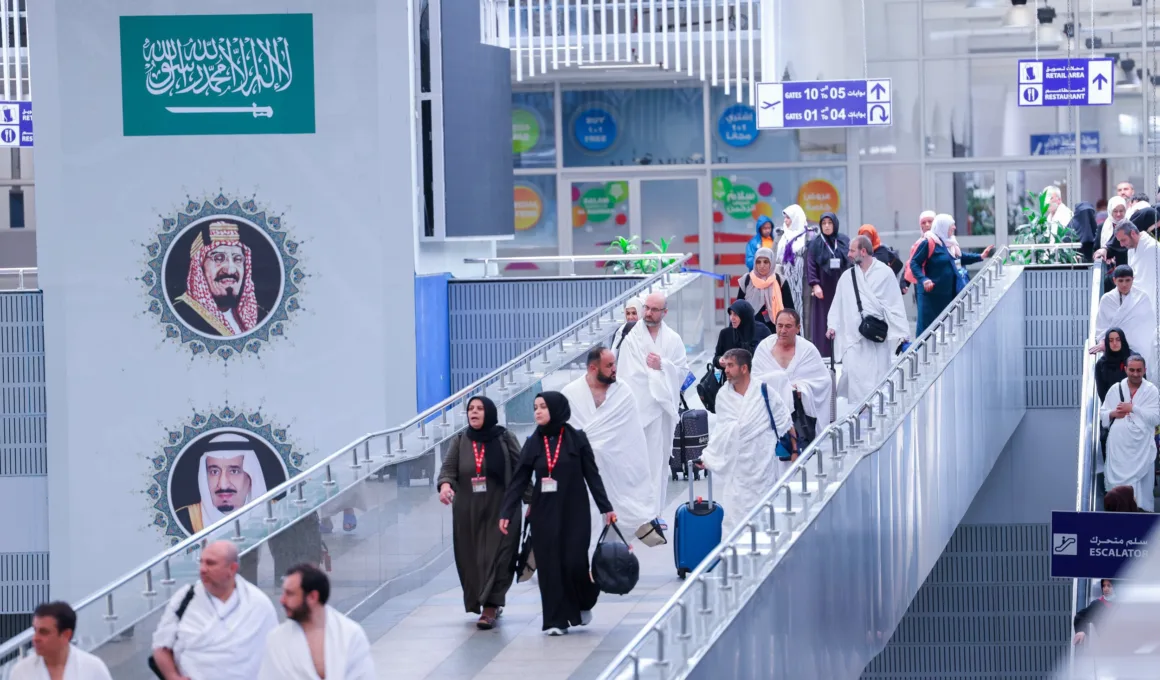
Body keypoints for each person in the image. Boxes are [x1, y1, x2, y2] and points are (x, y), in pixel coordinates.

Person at [499, 392, 616, 636]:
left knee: (574, 563)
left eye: (543, 407)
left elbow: (592, 476)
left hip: (575, 512)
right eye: (535, 407)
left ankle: (583, 602)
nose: (538, 412)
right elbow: (519, 480)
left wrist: (607, 508)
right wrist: (507, 512)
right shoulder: (533, 442)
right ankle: (555, 620)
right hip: (544, 514)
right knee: (550, 567)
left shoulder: (577, 439)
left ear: (557, 409)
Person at [436, 396, 525, 629]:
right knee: (472, 559)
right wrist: (445, 487)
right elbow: (447, 471)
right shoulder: (460, 440)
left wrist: (533, 502)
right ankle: (483, 600)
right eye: (470, 409)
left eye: (479, 409)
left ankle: (491, 607)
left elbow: (521, 473)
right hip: (468, 513)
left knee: (501, 557)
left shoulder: (506, 439)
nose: (473, 412)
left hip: (503, 511)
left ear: (490, 412)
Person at [561, 346, 656, 543]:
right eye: (609, 365)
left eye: (615, 364)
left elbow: (632, 438)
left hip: (617, 470)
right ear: (593, 368)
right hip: (582, 472)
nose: (615, 369)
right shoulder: (570, 394)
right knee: (586, 521)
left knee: (616, 527)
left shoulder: (623, 392)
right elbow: (565, 436)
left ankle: (611, 562)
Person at [698, 348, 795, 536]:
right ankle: (736, 561)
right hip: (738, 472)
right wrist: (708, 457)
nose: (726, 370)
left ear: (744, 368)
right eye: (725, 366)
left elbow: (785, 421)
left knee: (766, 517)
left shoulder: (764, 392)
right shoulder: (723, 396)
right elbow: (722, 431)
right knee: (735, 519)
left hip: (763, 466)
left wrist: (795, 451)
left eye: (731, 366)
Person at [151, 540, 278, 680]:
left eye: (210, 563)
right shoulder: (185, 598)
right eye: (201, 562)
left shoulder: (258, 605)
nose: (203, 569)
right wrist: (172, 676)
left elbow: (276, 655)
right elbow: (161, 646)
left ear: (232, 568)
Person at [615, 291, 688, 524]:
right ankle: (636, 514)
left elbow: (681, 371)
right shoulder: (632, 338)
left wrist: (662, 365)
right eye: (646, 308)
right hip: (638, 410)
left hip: (661, 411)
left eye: (654, 309)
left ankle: (654, 514)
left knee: (657, 464)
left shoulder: (673, 340)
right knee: (636, 464)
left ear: (664, 312)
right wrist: (655, 375)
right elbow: (629, 374)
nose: (648, 313)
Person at [826, 236, 909, 409]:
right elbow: (837, 303)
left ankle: (878, 412)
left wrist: (902, 334)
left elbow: (895, 304)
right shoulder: (847, 277)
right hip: (853, 337)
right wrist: (832, 326)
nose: (848, 254)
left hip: (877, 338)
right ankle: (858, 415)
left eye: (851, 250)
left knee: (877, 378)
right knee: (854, 377)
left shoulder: (885, 273)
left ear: (863, 251)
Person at [258, 564, 375, 680]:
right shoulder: (276, 639)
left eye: (290, 594)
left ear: (313, 597)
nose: (282, 600)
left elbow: (364, 675)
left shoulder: (350, 634)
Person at [752, 309, 834, 446]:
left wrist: (803, 388)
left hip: (800, 418)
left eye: (788, 326)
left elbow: (824, 381)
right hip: (769, 417)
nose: (783, 330)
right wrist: (780, 383)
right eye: (779, 325)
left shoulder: (808, 350)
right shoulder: (764, 348)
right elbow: (754, 381)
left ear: (798, 328)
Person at [172, 221, 263, 336]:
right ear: (199, 267)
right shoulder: (180, 314)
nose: (230, 270)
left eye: (238, 259)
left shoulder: (260, 316)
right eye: (218, 258)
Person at [909, 214, 993, 336]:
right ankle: (920, 354)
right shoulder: (929, 242)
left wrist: (980, 256)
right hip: (931, 297)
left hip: (947, 296)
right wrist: (924, 279)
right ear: (943, 227)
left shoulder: (949, 244)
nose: (954, 228)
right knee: (927, 332)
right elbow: (914, 263)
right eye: (951, 225)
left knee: (944, 331)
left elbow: (959, 257)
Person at [1100, 354, 1160, 512]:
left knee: (1141, 495)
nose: (1135, 373)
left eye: (1139, 370)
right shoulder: (1116, 389)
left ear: (1144, 370)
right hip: (1118, 449)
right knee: (1118, 493)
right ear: (1125, 369)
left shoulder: (1151, 391)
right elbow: (1103, 414)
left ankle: (1141, 515)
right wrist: (1113, 413)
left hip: (1142, 448)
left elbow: (1156, 418)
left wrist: (1132, 408)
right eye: (1132, 370)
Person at [176, 433, 269, 535]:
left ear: (251, 477)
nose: (223, 484)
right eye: (214, 472)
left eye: (234, 471)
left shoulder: (277, 511)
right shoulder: (185, 519)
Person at [10, 602, 113, 680]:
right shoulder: (21, 672)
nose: (35, 638)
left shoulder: (93, 668)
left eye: (44, 632)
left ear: (66, 635)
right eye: (35, 630)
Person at [1090, 265, 1158, 380]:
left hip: (1139, 349)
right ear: (1114, 280)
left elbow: (1149, 326)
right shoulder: (1106, 299)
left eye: (1128, 280)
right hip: (1116, 349)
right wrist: (1103, 342)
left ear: (1133, 279)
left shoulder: (1142, 297)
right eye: (1120, 281)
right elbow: (1102, 326)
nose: (1124, 284)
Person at [804, 212, 850, 358]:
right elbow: (810, 266)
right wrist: (815, 285)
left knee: (842, 318)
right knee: (823, 320)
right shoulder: (815, 243)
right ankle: (824, 354)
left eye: (830, 223)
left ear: (835, 224)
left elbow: (849, 262)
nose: (827, 226)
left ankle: (842, 353)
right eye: (824, 223)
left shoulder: (843, 241)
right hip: (823, 289)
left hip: (841, 286)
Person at [735, 248, 784, 334]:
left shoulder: (779, 280)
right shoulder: (746, 280)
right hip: (750, 329)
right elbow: (738, 308)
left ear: (771, 263)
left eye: (766, 262)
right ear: (755, 263)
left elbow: (790, 309)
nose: (762, 265)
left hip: (775, 330)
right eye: (758, 262)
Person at [713, 299, 771, 370]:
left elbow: (769, 357)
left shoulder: (762, 331)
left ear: (744, 315)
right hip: (732, 378)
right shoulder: (726, 333)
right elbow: (716, 358)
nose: (732, 318)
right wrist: (719, 361)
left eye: (735, 314)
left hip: (756, 376)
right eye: (730, 314)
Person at [775, 204, 812, 315]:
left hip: (803, 281)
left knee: (803, 311)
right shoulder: (782, 235)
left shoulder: (809, 235)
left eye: (788, 218)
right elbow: (777, 259)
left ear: (796, 218)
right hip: (786, 279)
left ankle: (801, 332)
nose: (785, 221)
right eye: (785, 218)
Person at [1117, 211, 1160, 298]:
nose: (1121, 245)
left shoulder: (1152, 248)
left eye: (1123, 240)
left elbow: (1148, 284)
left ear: (1133, 233)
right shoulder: (1130, 250)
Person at [901, 211, 938, 296]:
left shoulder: (944, 241)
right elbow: (912, 263)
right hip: (922, 285)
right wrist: (905, 282)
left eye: (930, 221)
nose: (927, 225)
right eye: (923, 222)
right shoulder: (919, 243)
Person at [1073, 579, 1114, 646]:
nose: (1106, 589)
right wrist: (1081, 630)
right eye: (1103, 586)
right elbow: (1080, 616)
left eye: (1109, 586)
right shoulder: (1097, 605)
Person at [1094, 328, 1131, 402]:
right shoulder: (1101, 364)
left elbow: (1142, 385)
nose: (1114, 343)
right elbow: (1102, 391)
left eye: (1118, 339)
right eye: (1111, 340)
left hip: (1134, 407)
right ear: (1107, 343)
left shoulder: (1133, 360)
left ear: (1122, 340)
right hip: (1111, 408)